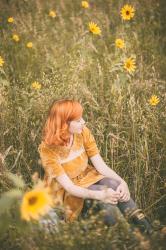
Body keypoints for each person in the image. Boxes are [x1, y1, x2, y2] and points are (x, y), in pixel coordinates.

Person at [38, 99, 152, 233]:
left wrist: (123, 182)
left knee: (113, 183)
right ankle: (127, 236)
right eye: (78, 120)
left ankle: (148, 230)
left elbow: (100, 165)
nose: (84, 122)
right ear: (64, 124)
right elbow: (69, 187)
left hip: (86, 177)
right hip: (65, 191)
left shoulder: (82, 132)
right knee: (103, 194)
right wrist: (101, 195)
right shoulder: (47, 150)